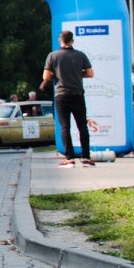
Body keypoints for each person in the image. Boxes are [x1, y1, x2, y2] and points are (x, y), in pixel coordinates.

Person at [41, 29, 96, 167]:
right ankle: (86, 157)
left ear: (60, 41)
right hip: (77, 94)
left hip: (61, 95)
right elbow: (90, 73)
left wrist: (56, 75)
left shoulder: (52, 56)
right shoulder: (80, 55)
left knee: (65, 126)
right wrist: (78, 74)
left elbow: (46, 77)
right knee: (82, 126)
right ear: (72, 41)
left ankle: (69, 158)